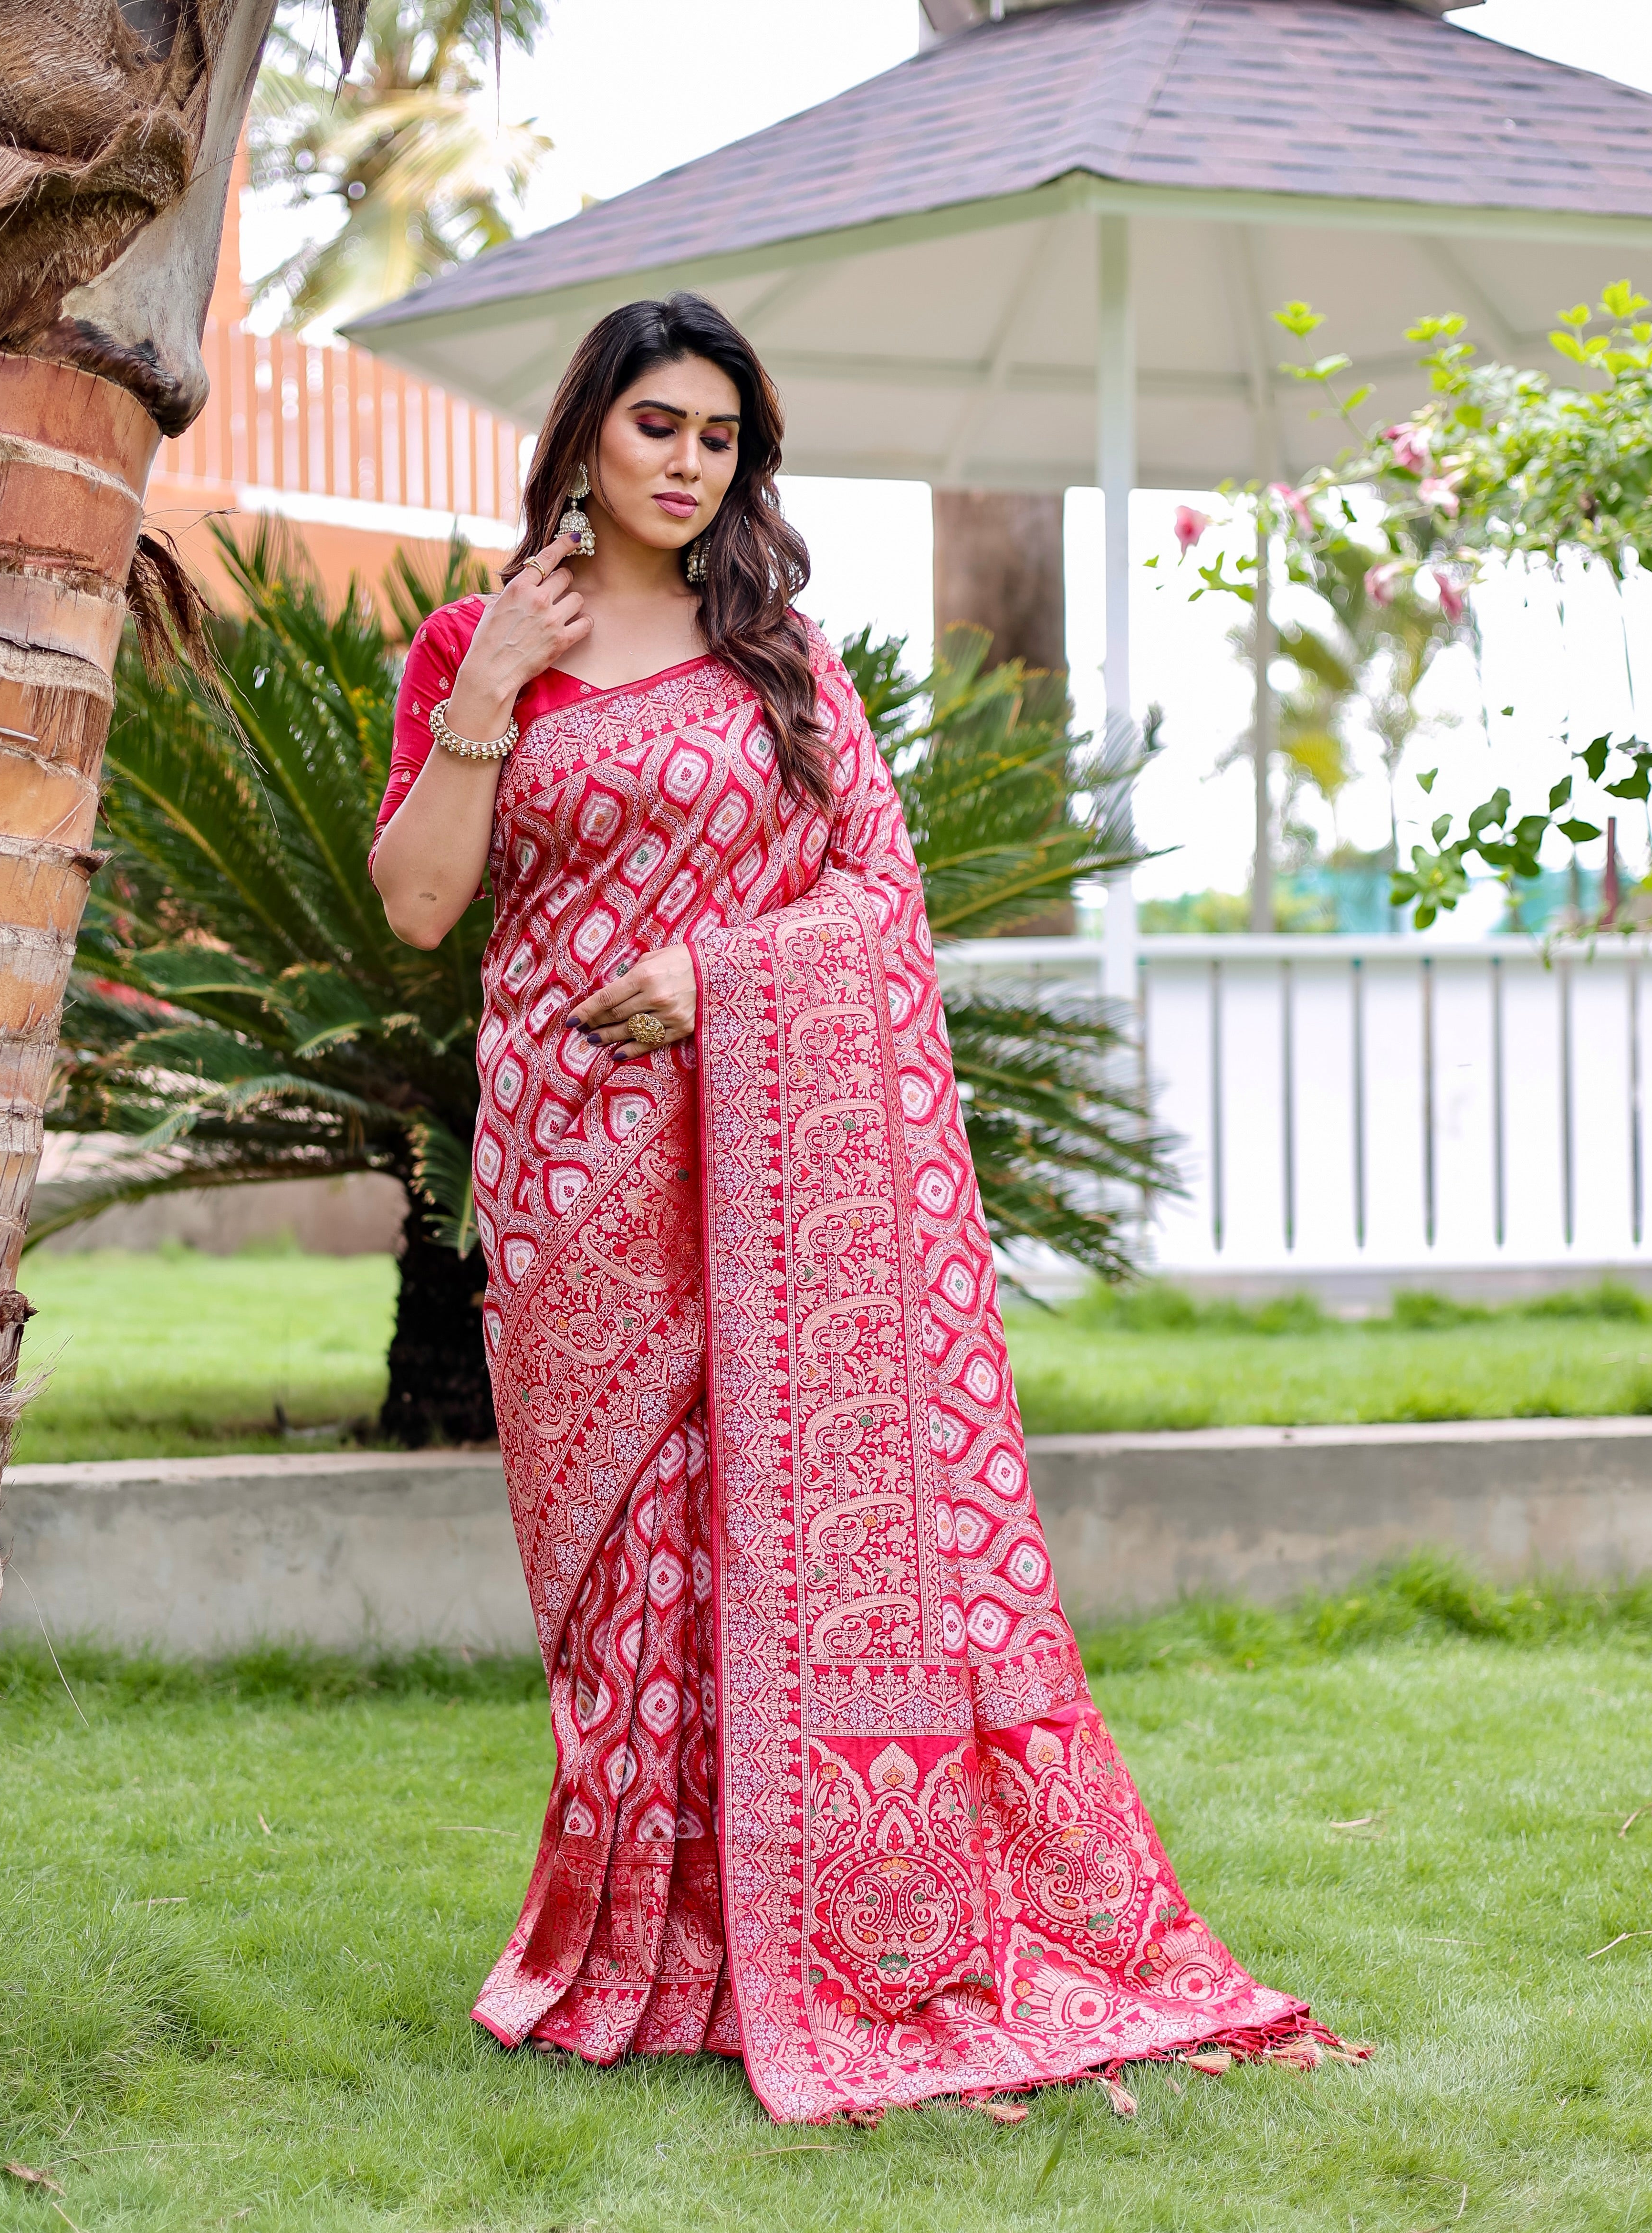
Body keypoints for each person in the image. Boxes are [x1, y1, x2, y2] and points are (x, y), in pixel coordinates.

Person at [369, 294, 1354, 2126]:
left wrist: (716, 977)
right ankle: (637, 1958)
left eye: (718, 438)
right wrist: (495, 687)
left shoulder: (782, 661)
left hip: (764, 1148)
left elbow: (879, 909)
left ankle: (792, 1947)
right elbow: (424, 908)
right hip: (569, 1150)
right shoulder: (472, 645)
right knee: (617, 1583)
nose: (685, 463)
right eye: (656, 425)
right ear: (588, 430)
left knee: (769, 1547)